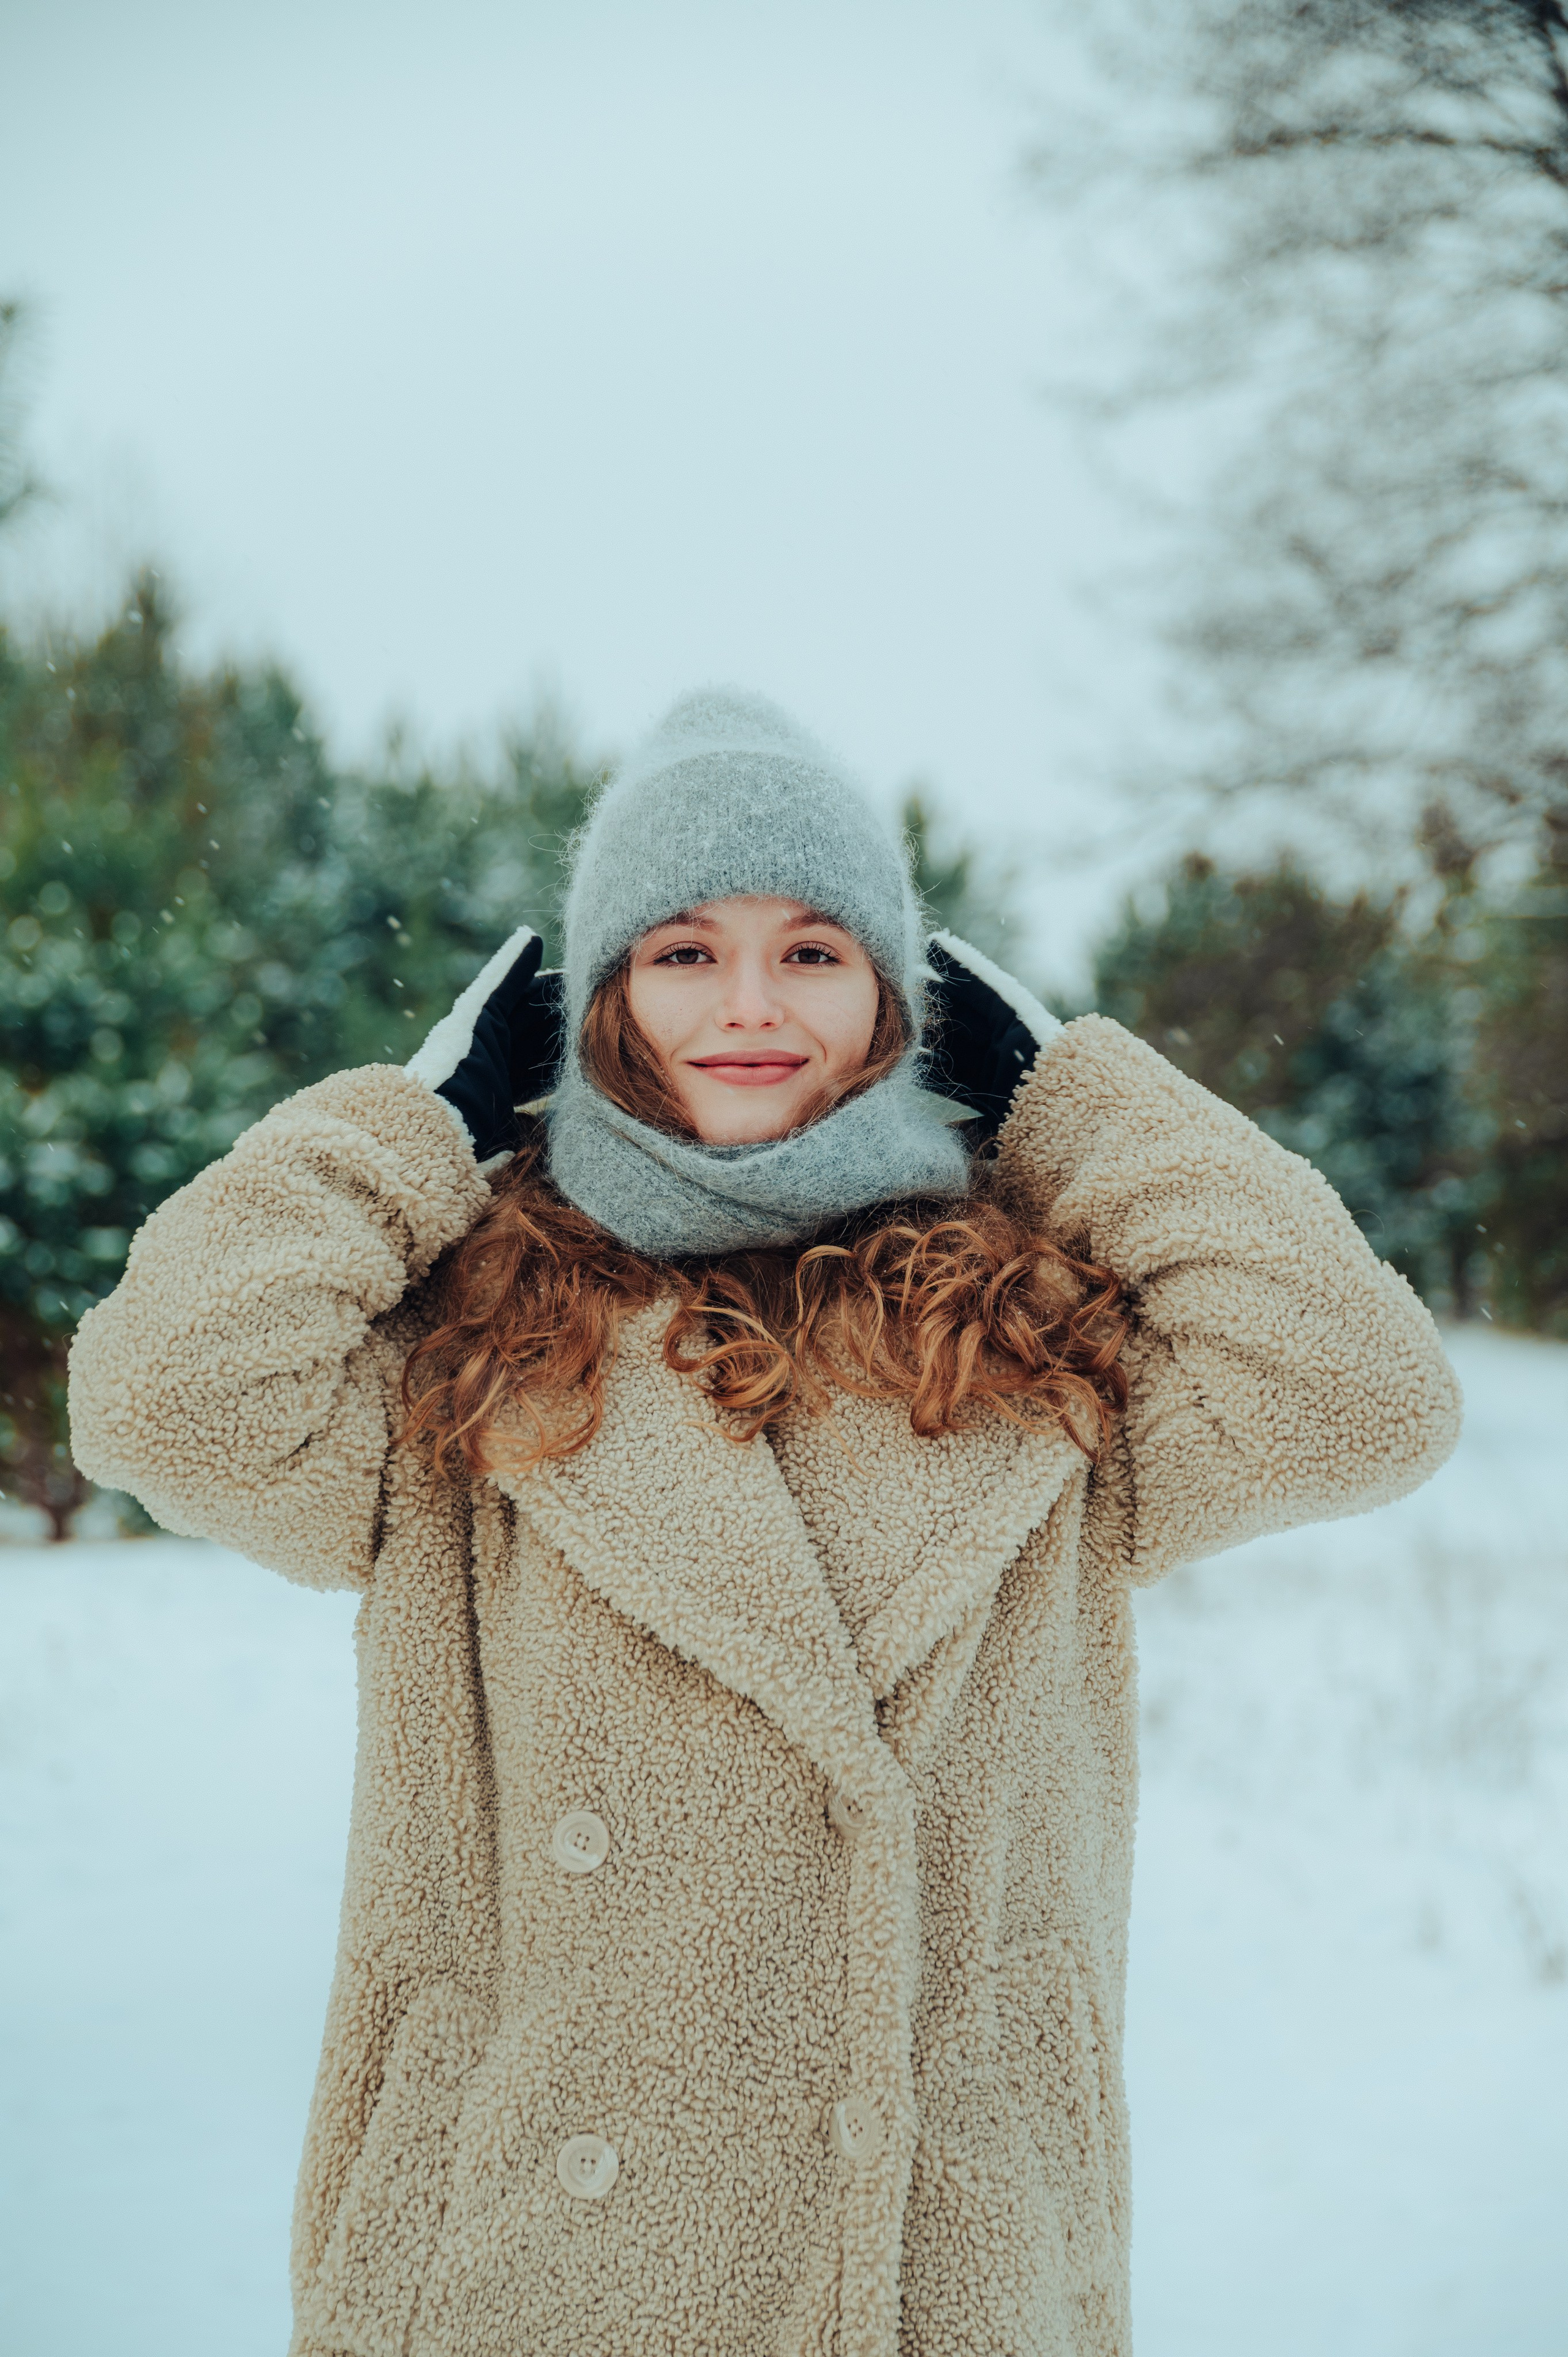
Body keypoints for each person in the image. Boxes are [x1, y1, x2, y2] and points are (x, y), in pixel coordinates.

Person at [69, 690, 1461, 2357]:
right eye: (680, 952)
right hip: (516, 2255)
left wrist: (1079, 1103)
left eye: (813, 953)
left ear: (900, 1001)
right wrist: (419, 1124)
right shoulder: (461, 1356)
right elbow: (164, 1396)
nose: (749, 1008)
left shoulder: (1040, 1348)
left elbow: (1364, 1396)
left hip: (939, 2273)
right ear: (595, 1003)